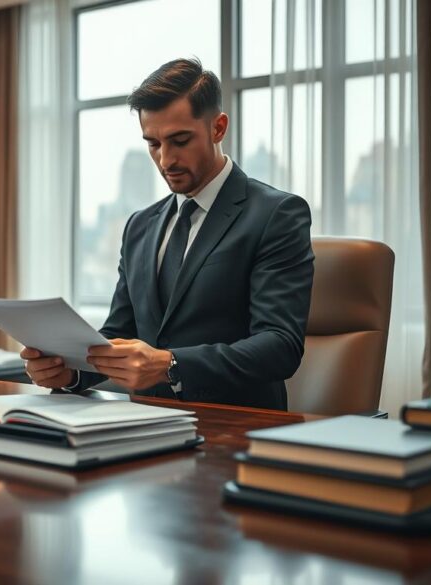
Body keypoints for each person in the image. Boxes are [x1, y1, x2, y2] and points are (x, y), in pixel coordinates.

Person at [21, 58, 314, 410]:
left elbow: (280, 346)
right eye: (153, 144)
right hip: (143, 427)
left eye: (180, 140)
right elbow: (119, 334)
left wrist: (170, 365)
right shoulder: (139, 227)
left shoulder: (275, 214)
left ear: (218, 128)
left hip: (234, 428)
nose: (165, 160)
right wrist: (70, 373)